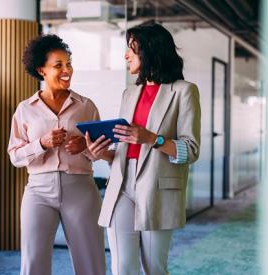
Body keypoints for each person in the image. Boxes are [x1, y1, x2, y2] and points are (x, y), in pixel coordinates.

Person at [86, 23, 201, 275]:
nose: (126, 55)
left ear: (150, 51)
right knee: (122, 268)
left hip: (157, 189)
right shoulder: (129, 93)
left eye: (132, 49)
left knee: (154, 269)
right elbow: (123, 149)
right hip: (121, 184)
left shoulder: (184, 92)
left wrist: (153, 139)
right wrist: (101, 152)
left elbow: (190, 150)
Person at [7, 34, 105, 275]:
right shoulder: (25, 109)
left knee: (91, 264)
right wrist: (41, 143)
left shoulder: (86, 106)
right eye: (58, 65)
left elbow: (101, 150)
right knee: (33, 264)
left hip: (81, 189)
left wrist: (84, 147)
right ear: (41, 70)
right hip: (38, 191)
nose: (66, 70)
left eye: (68, 64)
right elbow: (15, 156)